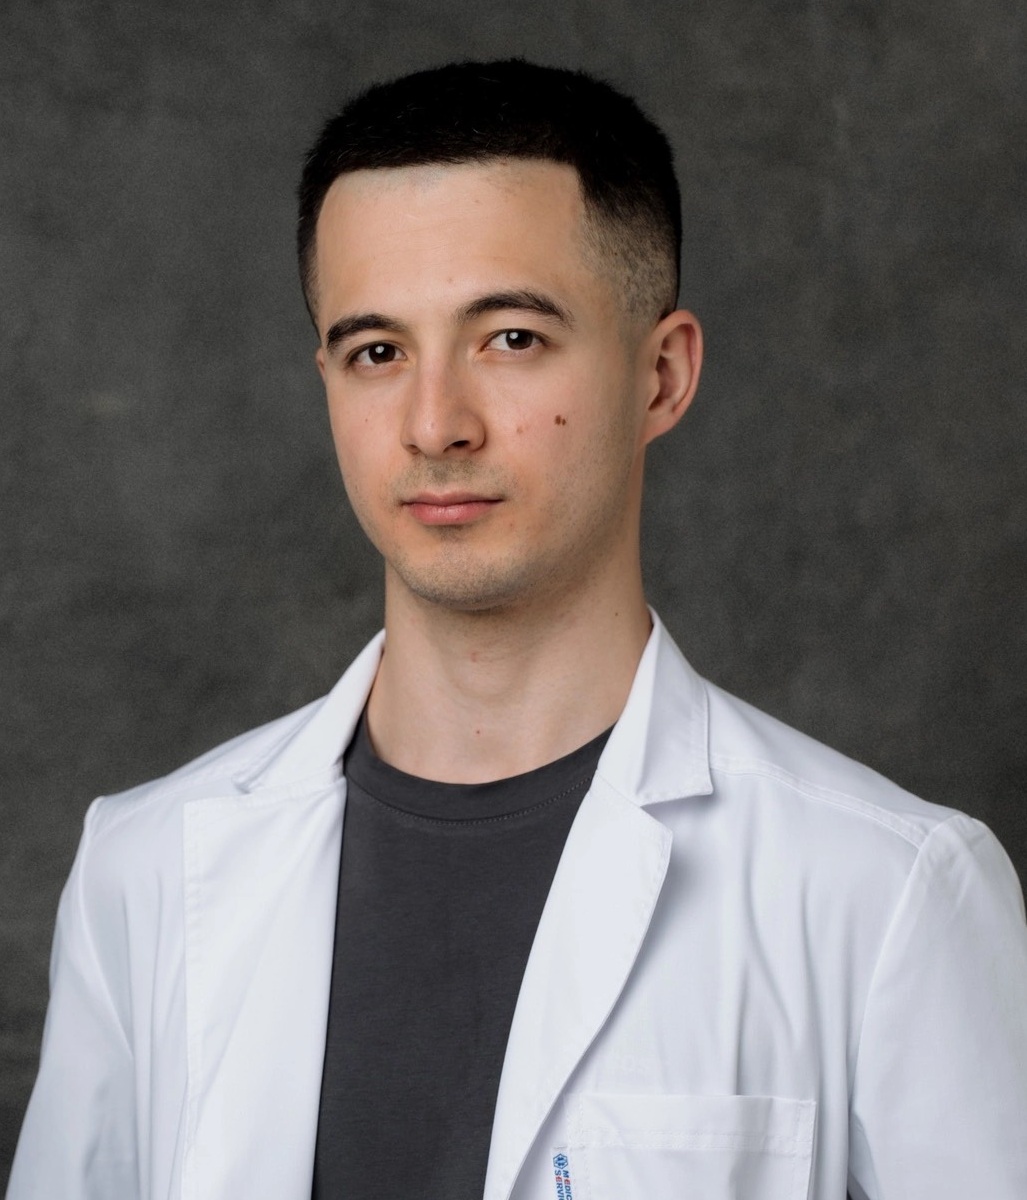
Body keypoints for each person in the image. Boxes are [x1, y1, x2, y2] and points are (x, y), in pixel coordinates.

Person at [8, 59, 1027, 1200]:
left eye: (509, 339)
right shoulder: (143, 869)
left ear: (662, 375)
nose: (434, 424)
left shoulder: (887, 893)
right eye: (377, 352)